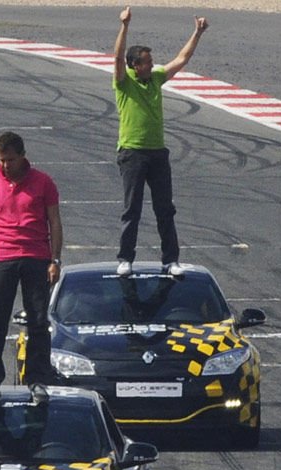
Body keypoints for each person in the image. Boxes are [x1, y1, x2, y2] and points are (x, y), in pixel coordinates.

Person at [112, 6, 208, 277]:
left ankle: (171, 259)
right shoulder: (124, 82)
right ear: (135, 65)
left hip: (158, 154)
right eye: (146, 61)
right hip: (132, 153)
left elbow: (182, 58)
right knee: (132, 209)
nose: (151, 64)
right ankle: (125, 258)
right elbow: (118, 57)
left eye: (150, 61)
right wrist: (124, 26)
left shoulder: (155, 78)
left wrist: (197, 33)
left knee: (165, 208)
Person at [0, 131, 63, 407]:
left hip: (36, 257)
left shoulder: (43, 183)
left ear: (22, 156)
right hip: (2, 258)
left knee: (38, 322)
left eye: (10, 160)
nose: (5, 166)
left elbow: (55, 222)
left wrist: (55, 260)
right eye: (1, 160)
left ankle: (37, 380)